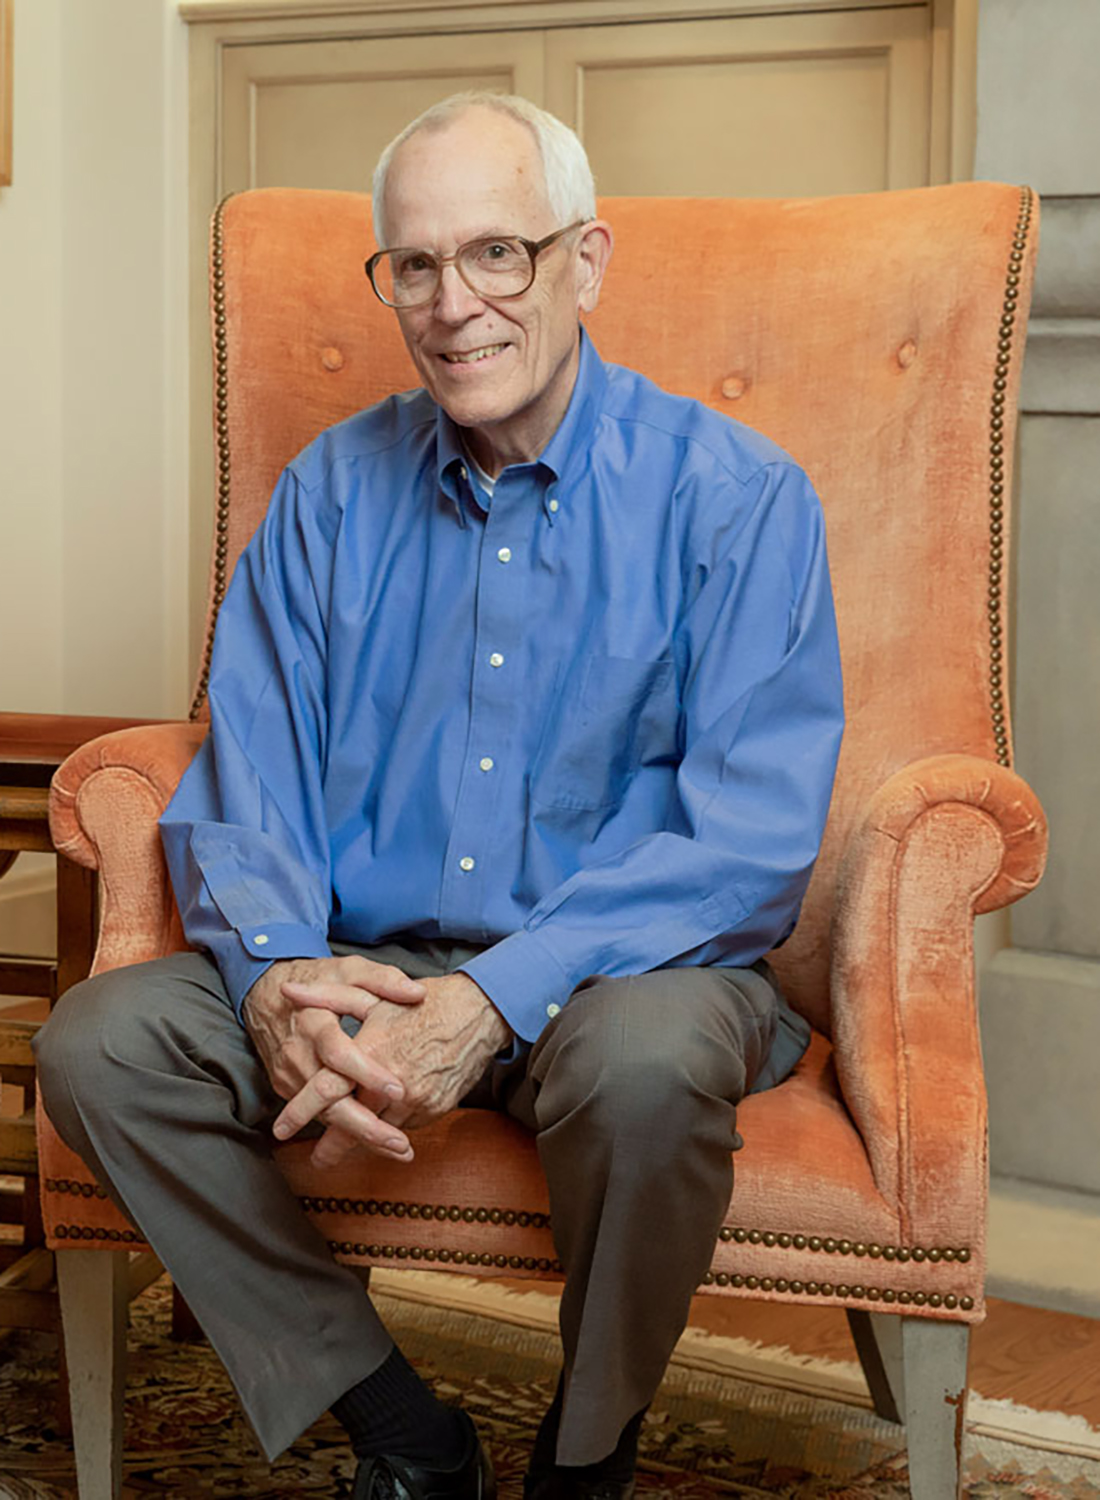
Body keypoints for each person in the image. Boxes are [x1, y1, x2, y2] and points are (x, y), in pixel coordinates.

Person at [35, 92, 844, 1500]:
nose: (452, 303)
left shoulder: (737, 499)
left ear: (584, 262)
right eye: (413, 264)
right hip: (370, 965)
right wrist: (280, 976)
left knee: (644, 1066)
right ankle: (403, 1431)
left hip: (630, 974)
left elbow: (749, 844)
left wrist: (502, 995)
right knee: (103, 1045)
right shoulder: (326, 496)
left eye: (496, 256)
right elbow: (249, 782)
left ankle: (584, 1460)